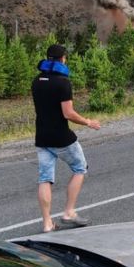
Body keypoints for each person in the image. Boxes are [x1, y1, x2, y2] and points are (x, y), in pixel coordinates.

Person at [31, 44, 100, 233]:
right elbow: (68, 113)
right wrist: (88, 122)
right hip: (61, 137)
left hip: (42, 137)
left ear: (48, 58)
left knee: (45, 179)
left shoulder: (37, 81)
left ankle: (47, 223)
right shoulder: (63, 82)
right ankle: (69, 211)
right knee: (80, 167)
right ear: (62, 59)